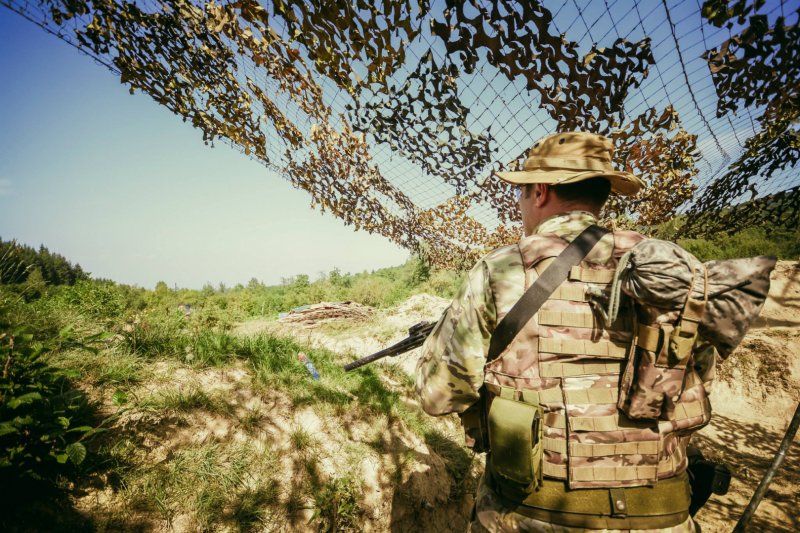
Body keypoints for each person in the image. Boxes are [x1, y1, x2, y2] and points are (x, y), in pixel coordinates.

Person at [416, 132, 703, 532]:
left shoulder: (503, 269)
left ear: (540, 190)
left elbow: (439, 394)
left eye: (520, 193)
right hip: (665, 514)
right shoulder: (673, 269)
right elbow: (694, 372)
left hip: (534, 514)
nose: (518, 205)